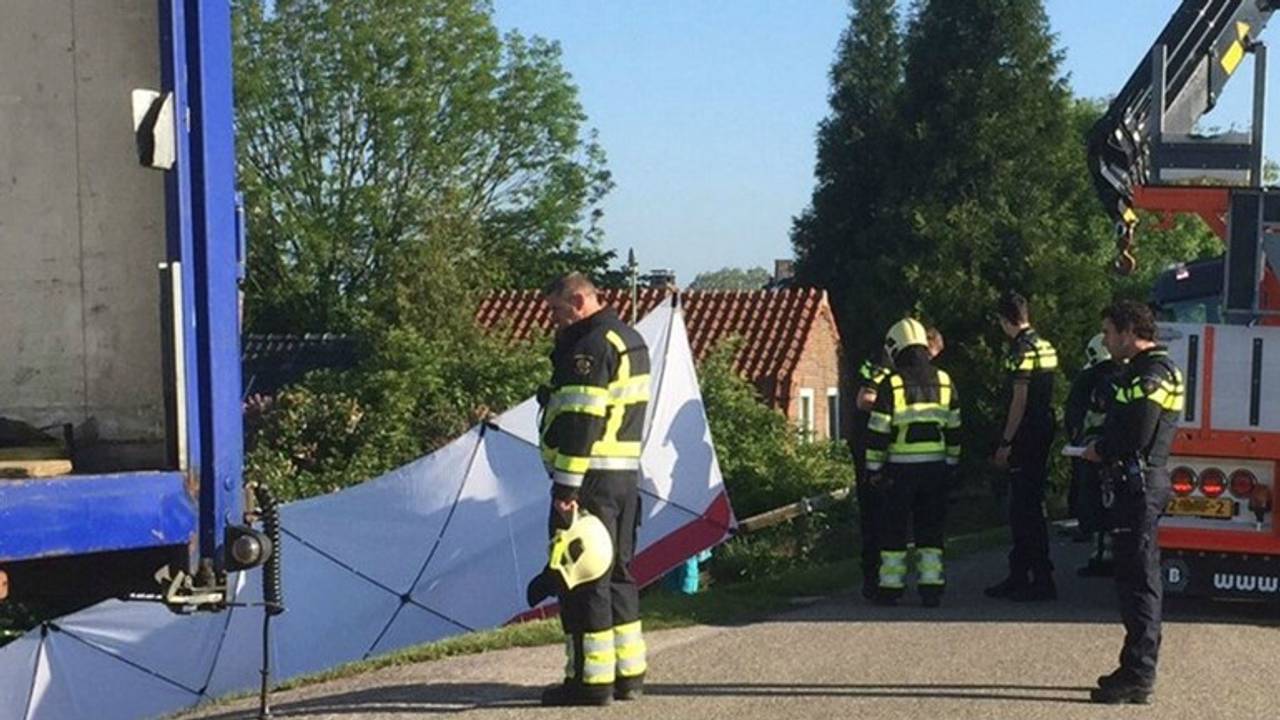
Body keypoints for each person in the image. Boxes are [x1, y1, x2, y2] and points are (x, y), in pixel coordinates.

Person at [537, 273, 650, 706]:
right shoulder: (631, 339)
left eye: (557, 310)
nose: (554, 320)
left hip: (589, 480)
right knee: (620, 574)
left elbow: (583, 421)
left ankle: (590, 681)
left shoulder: (591, 346)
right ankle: (628, 675)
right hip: (624, 477)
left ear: (580, 300)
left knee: (583, 580)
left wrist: (566, 488)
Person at [1082, 301, 1184, 705]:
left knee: (1140, 582)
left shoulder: (1152, 373)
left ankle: (1139, 674)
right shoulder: (1143, 370)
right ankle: (1133, 667)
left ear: (1127, 331)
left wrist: (1100, 449)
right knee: (1132, 580)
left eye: (1108, 332)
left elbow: (1138, 433)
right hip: (1135, 483)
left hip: (1138, 484)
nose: (1106, 341)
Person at [865, 318, 962, 607]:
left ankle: (891, 588)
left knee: (894, 531)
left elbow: (878, 430)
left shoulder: (891, 384)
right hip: (935, 469)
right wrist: (952, 463)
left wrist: (874, 469)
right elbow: (955, 427)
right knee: (930, 529)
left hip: (899, 471)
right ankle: (931, 587)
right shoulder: (945, 380)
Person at [986, 291, 1060, 602]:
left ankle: (1035, 578)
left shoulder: (1020, 351)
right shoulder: (1046, 346)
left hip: (1025, 435)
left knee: (1023, 509)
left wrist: (1005, 441)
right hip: (1043, 430)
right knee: (1031, 505)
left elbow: (1019, 399)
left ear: (1005, 320)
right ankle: (1025, 574)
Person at [1064, 333, 1122, 577]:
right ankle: (1112, 555)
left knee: (1093, 502)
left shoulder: (1089, 378)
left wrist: (1076, 441)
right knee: (1113, 502)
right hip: (1117, 448)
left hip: (1092, 449)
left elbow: (1073, 414)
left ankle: (1100, 557)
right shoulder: (1126, 374)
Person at [852, 348, 892, 599]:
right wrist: (892, 406)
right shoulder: (882, 370)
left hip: (887, 453)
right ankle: (872, 578)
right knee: (873, 517)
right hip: (870, 452)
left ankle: (884, 578)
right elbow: (863, 399)